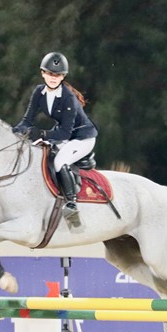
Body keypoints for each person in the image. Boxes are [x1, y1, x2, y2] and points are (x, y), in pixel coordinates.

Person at [12, 52, 98, 224]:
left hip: (83, 138)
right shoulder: (39, 92)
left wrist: (41, 134)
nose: (53, 78)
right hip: (64, 135)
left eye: (57, 75)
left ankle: (71, 204)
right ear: (42, 73)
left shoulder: (68, 98)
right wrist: (13, 132)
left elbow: (65, 133)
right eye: (50, 73)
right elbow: (27, 120)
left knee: (59, 161)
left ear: (63, 76)